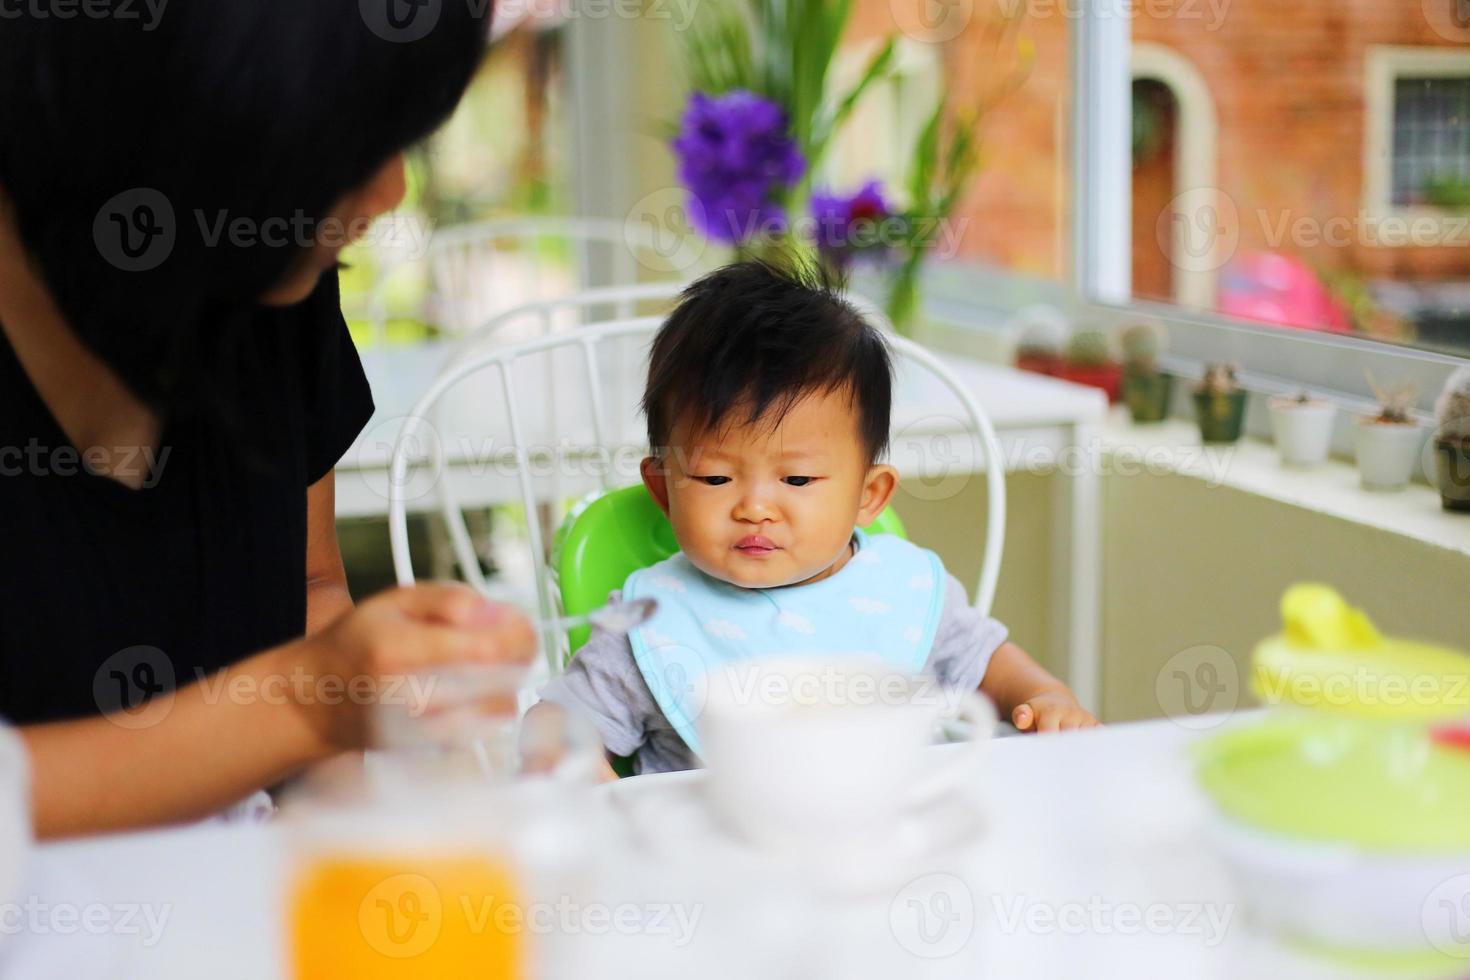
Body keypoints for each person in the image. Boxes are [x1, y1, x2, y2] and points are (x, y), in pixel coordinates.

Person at [0, 1, 535, 838]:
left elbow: (312, 590)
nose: (391, 192)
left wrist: (354, 854)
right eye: (351, 138)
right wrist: (311, 701)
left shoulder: (267, 277)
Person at [538, 261, 1098, 775]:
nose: (755, 507)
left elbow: (989, 665)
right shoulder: (650, 622)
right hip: (714, 873)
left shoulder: (904, 590)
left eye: (798, 480)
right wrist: (589, 786)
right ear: (663, 491)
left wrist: (1043, 697)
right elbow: (552, 727)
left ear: (869, 495)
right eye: (714, 478)